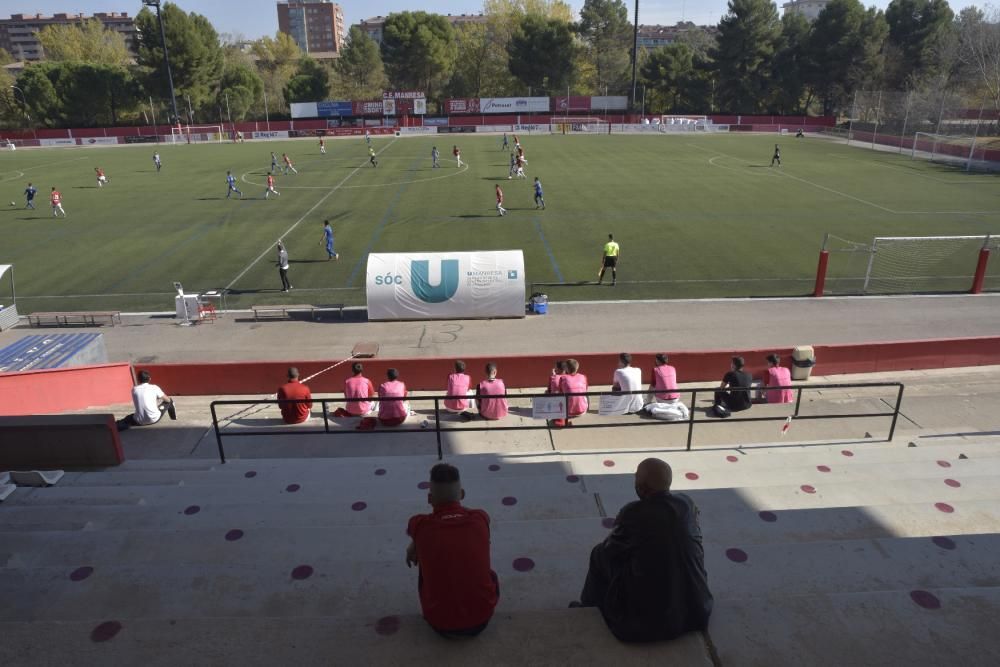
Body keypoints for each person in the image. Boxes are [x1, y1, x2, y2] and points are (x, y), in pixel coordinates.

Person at [573, 458, 713, 643]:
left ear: (642, 488)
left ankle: (587, 608)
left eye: (636, 476)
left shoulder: (632, 514)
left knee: (598, 554)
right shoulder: (687, 504)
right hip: (698, 610)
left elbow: (609, 552)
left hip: (643, 626)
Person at [406, 463, 499, 638]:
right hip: (482, 619)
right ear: (462, 494)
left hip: (440, 625)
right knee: (489, 573)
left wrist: (414, 546)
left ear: (429, 499)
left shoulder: (419, 524)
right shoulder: (480, 518)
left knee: (427, 568)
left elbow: (415, 529)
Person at [556, 358, 589, 426]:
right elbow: (586, 389)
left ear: (567, 369)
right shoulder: (583, 377)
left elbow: (560, 391)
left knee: (559, 395)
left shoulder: (563, 378)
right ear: (577, 368)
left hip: (568, 412)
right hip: (582, 411)